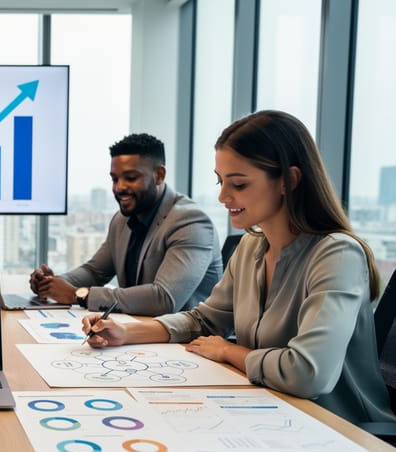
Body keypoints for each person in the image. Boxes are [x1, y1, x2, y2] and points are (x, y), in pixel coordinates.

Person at [82, 110, 396, 425]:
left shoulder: (336, 255)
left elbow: (308, 373)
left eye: (239, 184)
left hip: (339, 431)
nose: (222, 196)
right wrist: (126, 333)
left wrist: (230, 352)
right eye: (220, 182)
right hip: (272, 413)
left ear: (290, 180)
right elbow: (204, 321)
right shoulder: (251, 248)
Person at [30, 133, 222, 316]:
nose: (119, 187)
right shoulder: (121, 220)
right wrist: (53, 283)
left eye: (130, 178)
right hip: (136, 335)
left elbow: (164, 299)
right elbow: (94, 272)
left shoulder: (190, 221)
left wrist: (78, 295)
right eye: (115, 179)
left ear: (159, 175)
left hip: (186, 343)